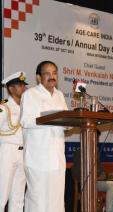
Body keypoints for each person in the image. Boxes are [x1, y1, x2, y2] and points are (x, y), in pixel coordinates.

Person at [20, 61, 68, 212]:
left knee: (56, 201)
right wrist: (48, 119)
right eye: (47, 73)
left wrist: (70, 122)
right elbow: (25, 121)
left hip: (57, 158)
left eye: (54, 73)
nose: (52, 76)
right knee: (38, 201)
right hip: (38, 158)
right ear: (38, 77)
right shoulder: (30, 94)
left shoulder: (60, 95)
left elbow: (66, 122)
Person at [0, 72, 28, 212]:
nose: (23, 87)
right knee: (1, 194)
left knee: (18, 198)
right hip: (7, 152)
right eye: (20, 85)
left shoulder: (27, 108)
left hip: (23, 153)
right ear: (11, 89)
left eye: (24, 85)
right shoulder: (4, 107)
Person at [72, 148, 113, 212]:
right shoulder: (79, 153)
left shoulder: (96, 151)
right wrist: (93, 175)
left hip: (99, 181)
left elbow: (100, 169)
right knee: (111, 185)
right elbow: (76, 173)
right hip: (88, 183)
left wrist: (107, 175)